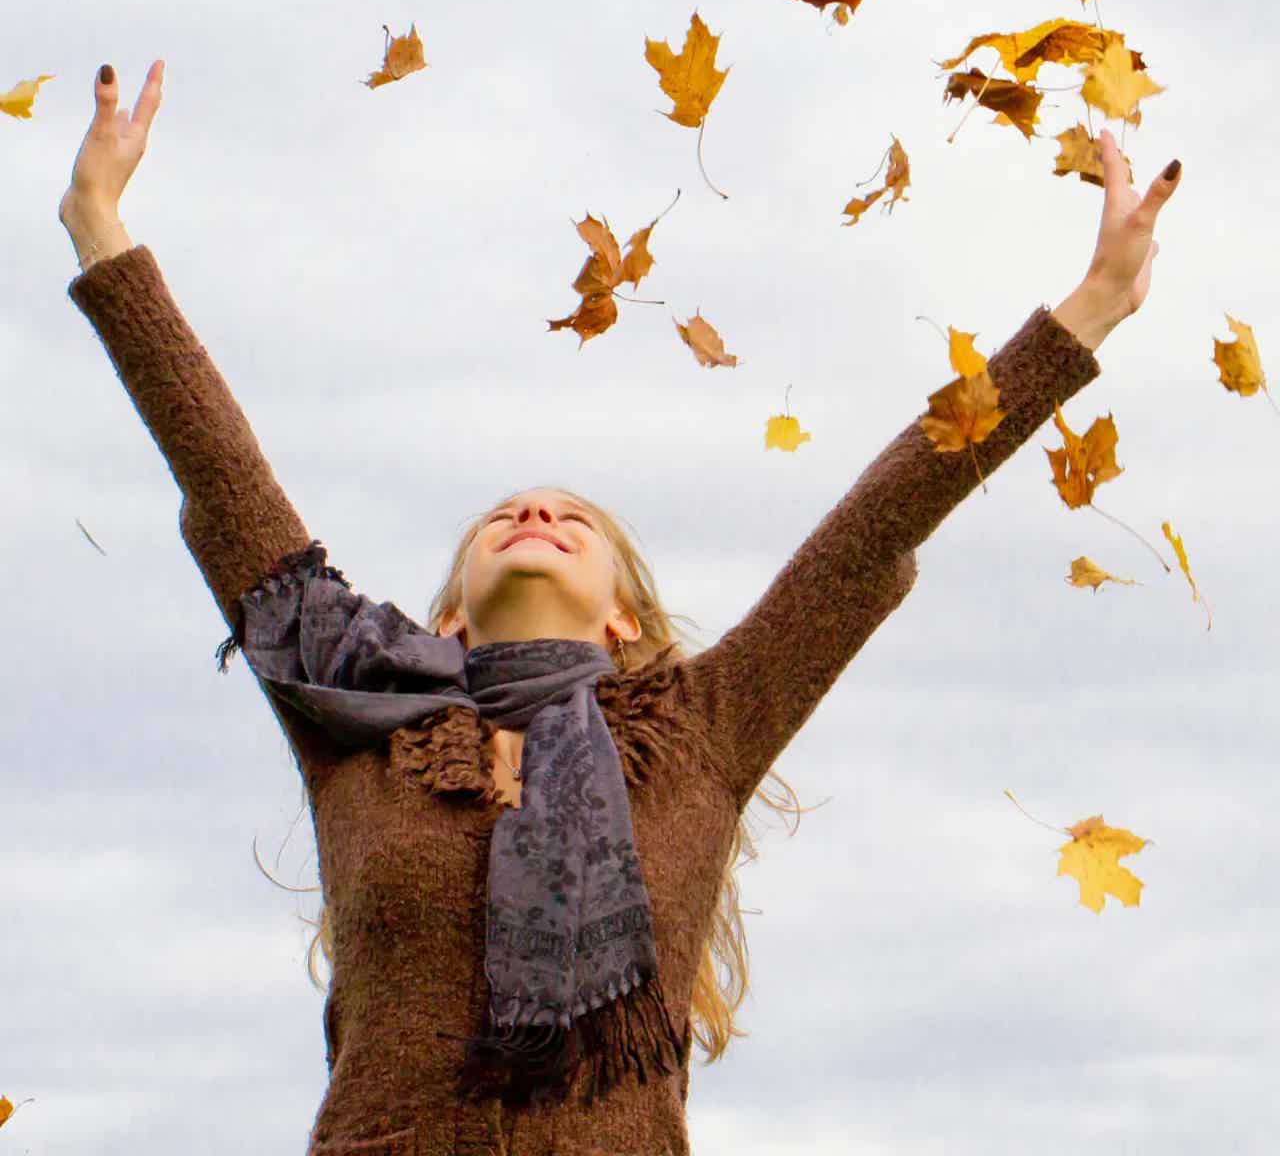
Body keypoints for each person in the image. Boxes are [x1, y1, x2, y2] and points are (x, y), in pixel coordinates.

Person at [58, 61, 1181, 1156]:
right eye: (504, 512)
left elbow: (876, 527)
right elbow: (223, 475)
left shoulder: (701, 729)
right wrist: (99, 225)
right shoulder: (352, 718)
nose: (537, 506)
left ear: (618, 621)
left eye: (570, 518)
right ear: (446, 622)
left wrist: (1083, 312)